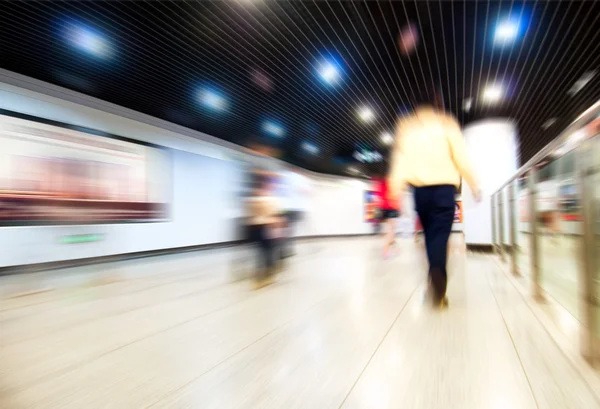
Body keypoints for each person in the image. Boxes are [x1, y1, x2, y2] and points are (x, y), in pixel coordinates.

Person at [388, 89, 481, 307]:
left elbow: (400, 162)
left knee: (430, 236)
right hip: (444, 190)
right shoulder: (447, 123)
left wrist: (395, 189)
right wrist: (474, 184)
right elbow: (461, 157)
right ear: (437, 101)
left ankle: (433, 274)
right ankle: (438, 278)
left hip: (420, 192)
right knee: (440, 236)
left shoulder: (406, 127)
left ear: (414, 103)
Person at [245, 172, 284, 289]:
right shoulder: (270, 198)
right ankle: (266, 273)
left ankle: (264, 274)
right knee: (266, 252)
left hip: (259, 227)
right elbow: (276, 216)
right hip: (264, 227)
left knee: (263, 252)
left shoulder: (254, 197)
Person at [373, 172, 400, 258]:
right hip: (391, 206)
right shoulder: (391, 180)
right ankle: (385, 251)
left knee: (390, 228)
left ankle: (392, 242)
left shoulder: (379, 180)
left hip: (382, 207)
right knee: (391, 229)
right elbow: (395, 193)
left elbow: (377, 194)